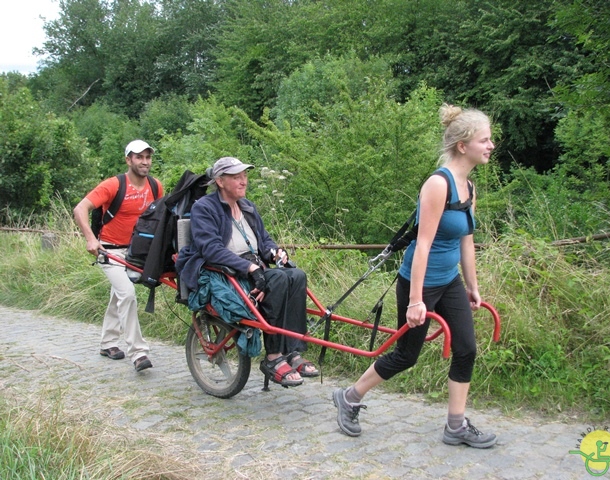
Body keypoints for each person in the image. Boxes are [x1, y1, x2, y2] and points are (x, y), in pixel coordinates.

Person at [333, 104, 497, 448]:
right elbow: (421, 247)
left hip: (448, 281)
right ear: (463, 145)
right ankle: (349, 396)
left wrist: (472, 287)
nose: (491, 146)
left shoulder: (469, 188)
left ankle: (456, 425)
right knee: (407, 355)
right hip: (418, 281)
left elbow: (467, 241)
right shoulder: (439, 184)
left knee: (466, 348)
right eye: (485, 140)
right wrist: (416, 299)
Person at [176, 156, 319, 387]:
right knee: (279, 279)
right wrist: (251, 268)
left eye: (244, 176)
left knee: (297, 275)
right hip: (226, 270)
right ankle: (273, 357)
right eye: (236, 177)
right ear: (220, 181)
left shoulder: (247, 206)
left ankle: (292, 351)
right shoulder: (205, 207)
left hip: (252, 267)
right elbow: (210, 249)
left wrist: (275, 253)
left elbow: (264, 241)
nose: (243, 181)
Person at [73, 140, 163, 372]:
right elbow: (80, 209)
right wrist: (91, 239)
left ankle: (107, 343)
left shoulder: (155, 186)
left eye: (147, 157)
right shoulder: (113, 185)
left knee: (119, 294)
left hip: (136, 252)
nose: (145, 162)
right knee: (127, 293)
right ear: (128, 160)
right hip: (109, 250)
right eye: (139, 157)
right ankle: (139, 352)